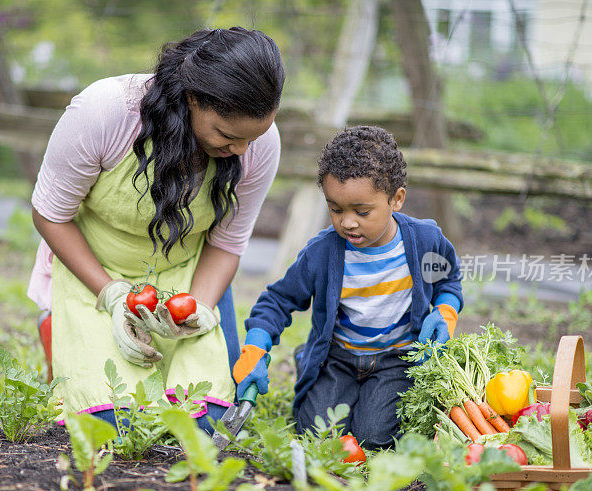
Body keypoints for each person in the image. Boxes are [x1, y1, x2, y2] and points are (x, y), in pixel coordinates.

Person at [28, 27, 285, 434]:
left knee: (206, 424)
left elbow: (226, 244)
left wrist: (198, 308)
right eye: (227, 135)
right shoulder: (107, 112)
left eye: (252, 138)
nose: (241, 151)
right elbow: (50, 215)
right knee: (115, 423)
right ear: (192, 97)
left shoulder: (259, 145)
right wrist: (112, 297)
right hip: (97, 270)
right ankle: (57, 326)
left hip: (187, 275)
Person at [232, 126, 463, 449]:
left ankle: (370, 400)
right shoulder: (324, 251)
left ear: (396, 199)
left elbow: (448, 279)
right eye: (335, 209)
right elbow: (279, 299)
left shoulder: (424, 241)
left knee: (375, 437)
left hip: (395, 358)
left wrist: (446, 310)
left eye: (362, 211)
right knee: (318, 434)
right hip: (338, 358)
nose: (347, 222)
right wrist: (256, 346)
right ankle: (310, 363)